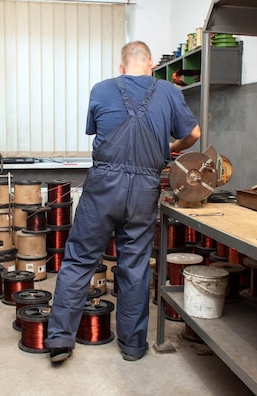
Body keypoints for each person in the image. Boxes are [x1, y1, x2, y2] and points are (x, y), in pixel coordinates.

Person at [45, 40, 201, 363]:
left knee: (78, 260)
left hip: (104, 187)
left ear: (121, 67)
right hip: (145, 188)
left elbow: (96, 131)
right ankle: (132, 346)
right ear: (150, 66)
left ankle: (60, 340)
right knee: (134, 267)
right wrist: (171, 147)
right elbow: (195, 135)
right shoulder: (169, 93)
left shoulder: (101, 90)